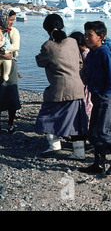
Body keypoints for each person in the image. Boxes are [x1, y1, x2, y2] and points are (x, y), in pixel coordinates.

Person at [34, 14, 88, 159]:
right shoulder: (72, 42)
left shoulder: (47, 46)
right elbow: (80, 63)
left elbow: (40, 61)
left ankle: (54, 145)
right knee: (76, 121)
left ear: (47, 29)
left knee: (47, 116)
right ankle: (79, 153)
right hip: (77, 88)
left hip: (58, 90)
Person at [79, 21, 111, 175]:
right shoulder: (92, 54)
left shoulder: (105, 53)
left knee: (103, 131)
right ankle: (99, 163)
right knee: (93, 132)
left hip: (106, 97)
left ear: (101, 36)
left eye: (90, 35)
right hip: (96, 95)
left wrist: (106, 93)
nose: (86, 38)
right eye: (85, 35)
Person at [0, 9, 21, 133]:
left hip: (10, 65)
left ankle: (11, 122)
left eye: (13, 20)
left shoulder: (14, 32)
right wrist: (5, 54)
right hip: (4, 60)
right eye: (10, 19)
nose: (12, 23)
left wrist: (3, 51)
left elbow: (16, 46)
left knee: (11, 91)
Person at [69, 31, 93, 122]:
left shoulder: (84, 54)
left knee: (86, 108)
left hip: (85, 86)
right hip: (86, 86)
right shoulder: (88, 52)